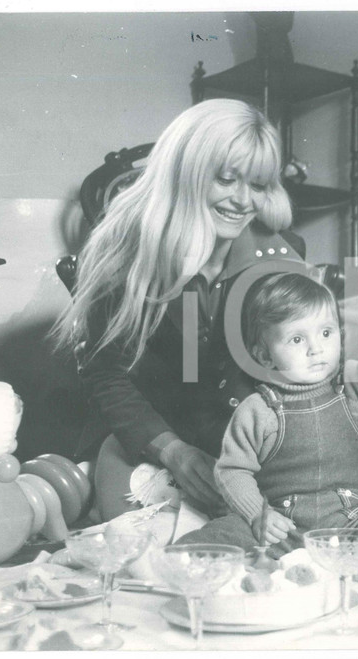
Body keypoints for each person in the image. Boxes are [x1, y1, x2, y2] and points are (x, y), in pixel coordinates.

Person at [53, 99, 308, 521]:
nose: (243, 201)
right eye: (226, 180)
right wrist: (175, 453)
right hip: (148, 438)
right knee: (138, 545)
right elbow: (106, 373)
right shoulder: (123, 253)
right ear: (185, 172)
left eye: (259, 186)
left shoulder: (283, 255)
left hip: (240, 440)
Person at [177, 273, 358, 552]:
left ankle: (351, 567)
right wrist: (258, 514)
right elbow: (233, 471)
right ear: (264, 356)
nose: (316, 348)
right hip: (282, 526)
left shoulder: (355, 383)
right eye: (297, 339)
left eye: (326, 333)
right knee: (214, 539)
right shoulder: (257, 409)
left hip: (352, 518)